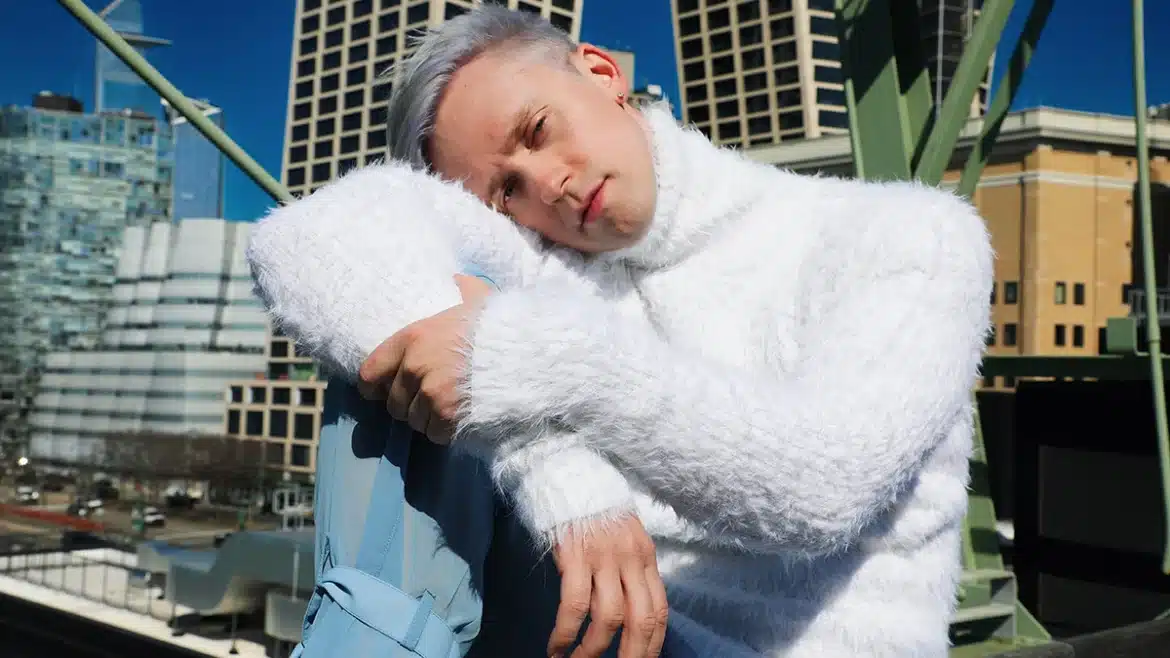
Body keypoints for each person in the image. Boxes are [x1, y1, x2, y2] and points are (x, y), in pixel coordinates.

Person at [256, 5, 992, 657]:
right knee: (408, 324)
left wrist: (541, 361)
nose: (545, 183)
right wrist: (545, 461)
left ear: (602, 73)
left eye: (538, 131)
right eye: (504, 190)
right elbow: (306, 238)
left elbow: (822, 486)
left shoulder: (909, 233)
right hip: (592, 630)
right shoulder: (552, 266)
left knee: (457, 337)